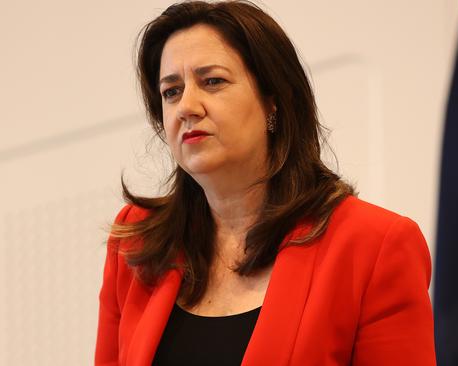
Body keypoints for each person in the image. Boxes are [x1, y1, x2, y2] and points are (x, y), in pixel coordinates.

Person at [94, 1, 436, 365]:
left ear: (273, 101)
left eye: (212, 82)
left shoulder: (374, 246)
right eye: (171, 91)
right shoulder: (135, 241)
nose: (186, 107)